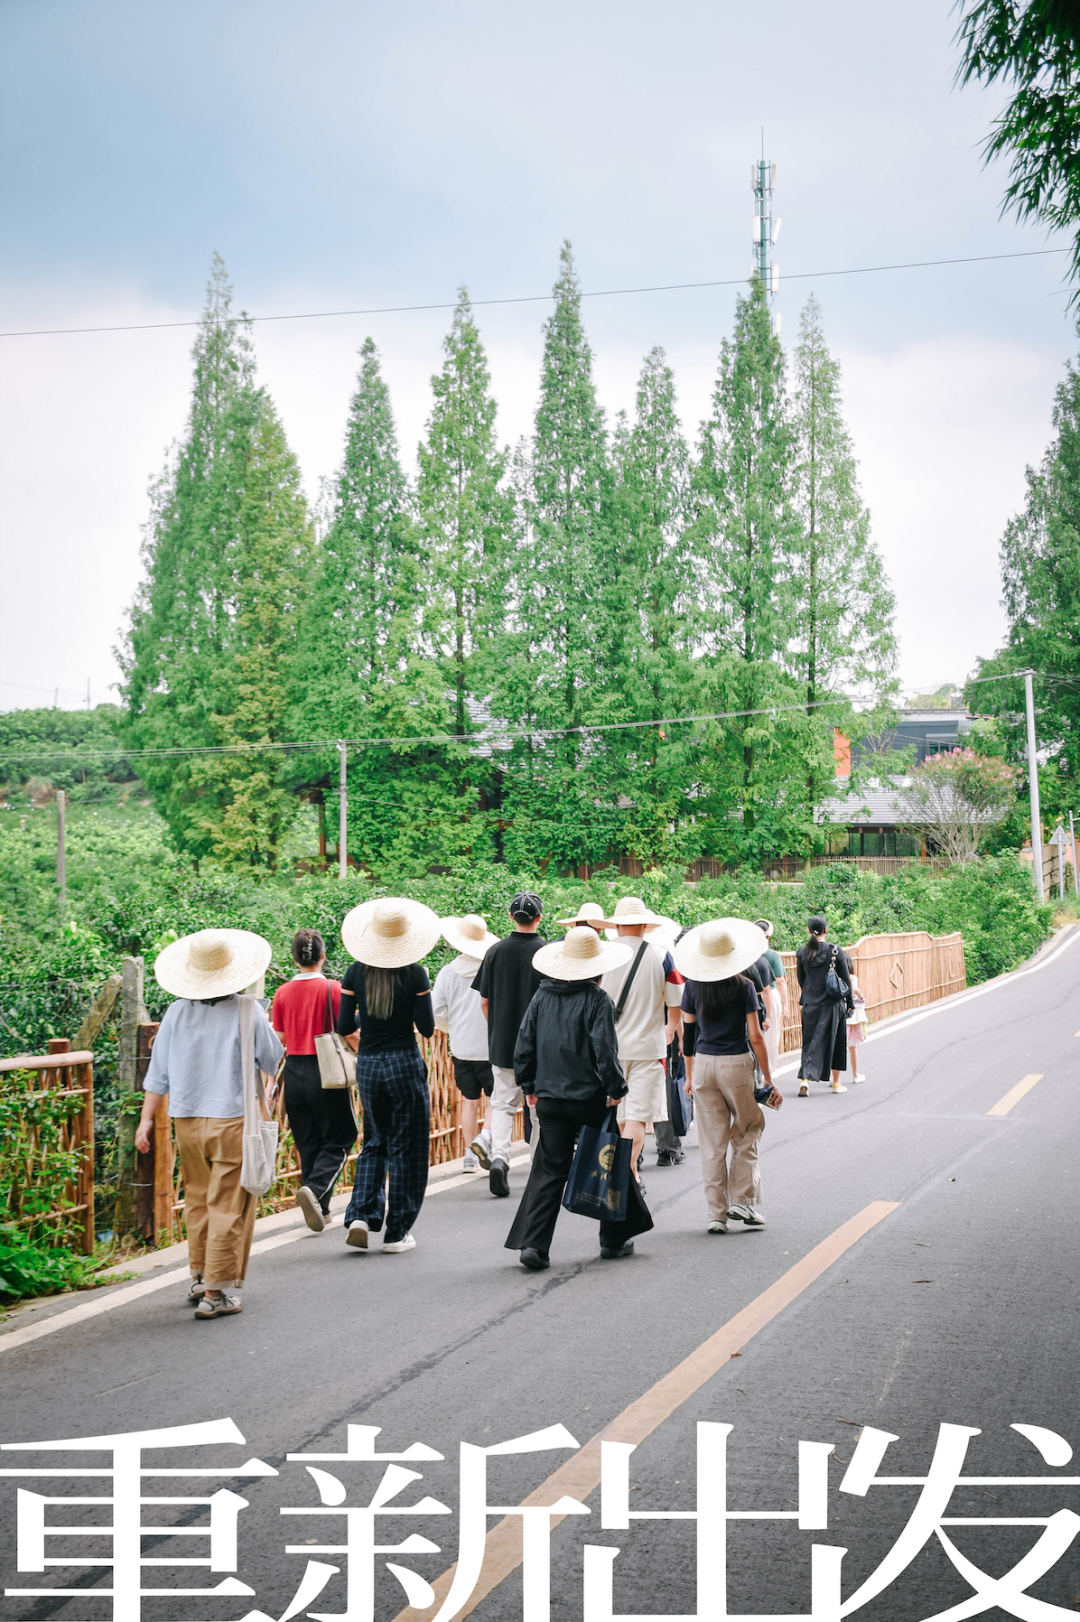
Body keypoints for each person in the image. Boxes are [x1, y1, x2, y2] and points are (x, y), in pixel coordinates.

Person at [134, 928, 282, 1318]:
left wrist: (146, 1121)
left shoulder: (176, 1012)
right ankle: (216, 1293)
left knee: (198, 1199)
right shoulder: (248, 1011)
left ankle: (200, 1275)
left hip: (185, 1120)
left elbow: (158, 1075)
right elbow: (272, 1059)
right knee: (229, 1204)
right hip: (230, 1120)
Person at [505, 925, 635, 1269]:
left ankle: (533, 1244)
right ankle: (614, 1239)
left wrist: (528, 1086)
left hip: (549, 1097)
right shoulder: (597, 1000)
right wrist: (615, 1089)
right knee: (607, 1161)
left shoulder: (541, 997)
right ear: (597, 967)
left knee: (549, 1169)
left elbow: (524, 1046)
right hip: (588, 1097)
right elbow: (604, 1052)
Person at [336, 897, 441, 1254]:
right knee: (407, 1148)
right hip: (404, 1064)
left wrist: (368, 1019)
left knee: (374, 1140)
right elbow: (426, 1028)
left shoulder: (354, 972)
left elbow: (341, 1025)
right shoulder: (416, 973)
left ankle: (362, 1214)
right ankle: (396, 1233)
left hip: (368, 1065)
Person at [674, 918, 776, 1234]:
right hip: (735, 1065)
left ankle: (716, 1215)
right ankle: (741, 1201)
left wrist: (689, 1076)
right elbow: (756, 1037)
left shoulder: (692, 986)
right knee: (749, 1127)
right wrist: (769, 1078)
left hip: (703, 1065)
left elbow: (687, 1036)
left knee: (711, 1141)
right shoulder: (744, 987)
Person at [269, 928, 356, 1233]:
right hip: (326, 1070)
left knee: (308, 1142)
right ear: (323, 956)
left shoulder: (282, 993)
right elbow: (348, 1030)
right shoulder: (332, 988)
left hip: (294, 1070)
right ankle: (316, 1189)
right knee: (342, 1135)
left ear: (293, 958)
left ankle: (321, 1207)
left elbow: (278, 1038)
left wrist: (269, 1083)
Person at [599, 897, 684, 1183]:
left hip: (610, 1049)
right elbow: (676, 1001)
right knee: (636, 1117)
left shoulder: (603, 954)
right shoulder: (661, 956)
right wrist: (669, 1029)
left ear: (617, 925)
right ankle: (628, 1171)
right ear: (645, 925)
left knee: (622, 1115)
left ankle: (626, 1172)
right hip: (649, 1048)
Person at [469, 891, 547, 1199]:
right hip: (540, 1045)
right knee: (539, 1107)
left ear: (511, 917)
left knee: (502, 1104)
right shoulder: (545, 953)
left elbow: (485, 1001)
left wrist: (498, 1028)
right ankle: (539, 1165)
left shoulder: (495, 951)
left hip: (502, 1044)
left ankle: (500, 1158)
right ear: (539, 918)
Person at [432, 913, 500, 1172]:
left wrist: (453, 1028)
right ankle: (486, 1139)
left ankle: (469, 1157)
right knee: (495, 1100)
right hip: (490, 1046)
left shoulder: (448, 973)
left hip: (461, 1047)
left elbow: (437, 1011)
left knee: (469, 1101)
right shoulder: (491, 969)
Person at [795, 916, 855, 1097]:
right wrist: (850, 1004)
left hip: (810, 1004)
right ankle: (836, 1083)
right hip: (832, 1004)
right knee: (837, 1041)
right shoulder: (836, 951)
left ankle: (805, 1079)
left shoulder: (802, 952)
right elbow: (846, 981)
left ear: (808, 930)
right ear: (825, 930)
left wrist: (810, 995)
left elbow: (801, 980)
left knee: (809, 1042)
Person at [754, 918, 789, 1085]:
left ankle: (755, 1068)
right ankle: (768, 1069)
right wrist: (786, 1005)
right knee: (771, 1034)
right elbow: (780, 981)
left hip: (750, 995)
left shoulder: (747, 955)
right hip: (770, 995)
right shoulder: (772, 956)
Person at [846, 973, 868, 1082]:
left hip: (839, 1013)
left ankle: (833, 1078)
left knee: (837, 1048)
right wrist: (861, 997)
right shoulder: (852, 977)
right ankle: (855, 1076)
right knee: (852, 1047)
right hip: (852, 1017)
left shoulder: (834, 976)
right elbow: (854, 989)